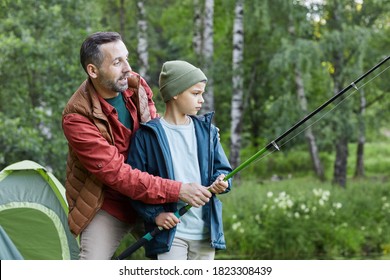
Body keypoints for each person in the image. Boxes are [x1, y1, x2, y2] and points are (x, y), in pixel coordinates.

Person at [62, 32, 212, 260]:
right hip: (109, 203)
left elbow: (158, 137)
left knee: (174, 255)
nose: (127, 68)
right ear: (93, 71)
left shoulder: (136, 86)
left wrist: (200, 135)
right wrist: (178, 189)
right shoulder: (76, 118)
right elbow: (118, 174)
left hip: (152, 198)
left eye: (126, 58)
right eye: (116, 62)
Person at [127, 60, 233, 260]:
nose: (201, 99)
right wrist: (155, 215)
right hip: (170, 234)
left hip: (205, 233)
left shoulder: (208, 132)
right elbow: (135, 185)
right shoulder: (147, 135)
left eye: (202, 93)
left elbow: (224, 171)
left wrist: (223, 181)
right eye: (195, 93)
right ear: (175, 92)